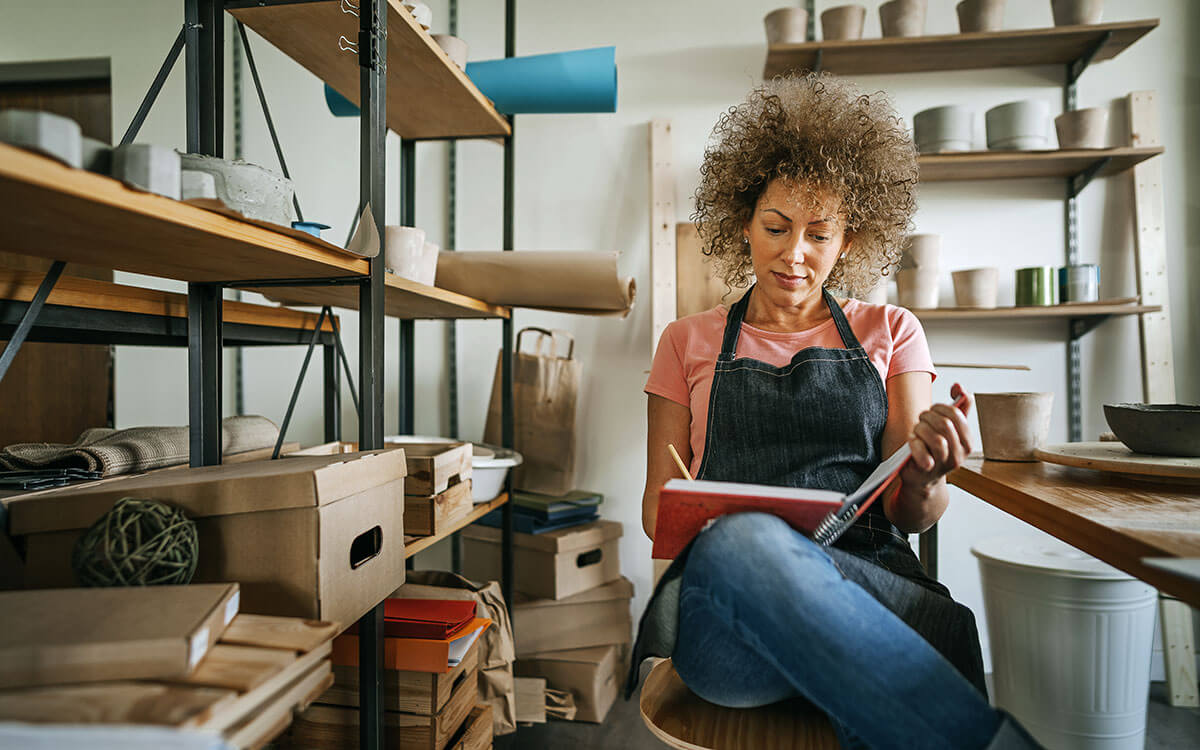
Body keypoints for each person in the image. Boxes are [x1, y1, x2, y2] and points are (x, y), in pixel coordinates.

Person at [626, 74, 1041, 749]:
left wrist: (929, 476)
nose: (795, 254)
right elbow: (653, 513)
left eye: (819, 235)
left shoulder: (894, 331)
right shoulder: (685, 342)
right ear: (743, 222)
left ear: (848, 240)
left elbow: (911, 516)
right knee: (744, 544)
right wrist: (698, 515)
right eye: (776, 227)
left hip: (867, 584)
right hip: (734, 628)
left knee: (887, 646)